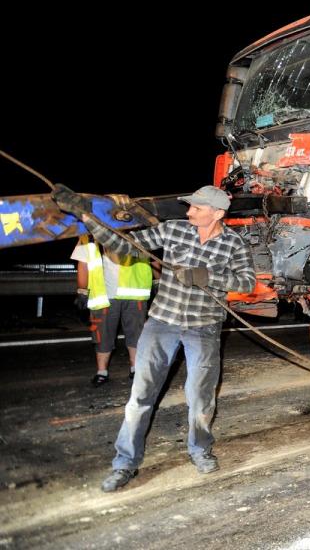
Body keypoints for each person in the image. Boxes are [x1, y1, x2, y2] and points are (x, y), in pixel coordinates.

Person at [52, 184, 256, 492]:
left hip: (204, 327)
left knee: (201, 397)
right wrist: (86, 216)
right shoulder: (173, 230)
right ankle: (124, 464)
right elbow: (125, 245)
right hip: (162, 324)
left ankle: (200, 450)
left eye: (196, 208)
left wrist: (206, 277)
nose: (188, 212)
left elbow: (247, 281)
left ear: (217, 214)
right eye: (189, 207)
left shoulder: (234, 244)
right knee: (141, 396)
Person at [70, 235, 153, 385]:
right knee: (102, 335)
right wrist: (82, 291)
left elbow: (152, 259)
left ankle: (136, 369)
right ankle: (102, 372)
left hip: (135, 292)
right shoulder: (88, 237)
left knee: (137, 333)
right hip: (103, 296)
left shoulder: (138, 232)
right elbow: (83, 264)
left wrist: (157, 282)